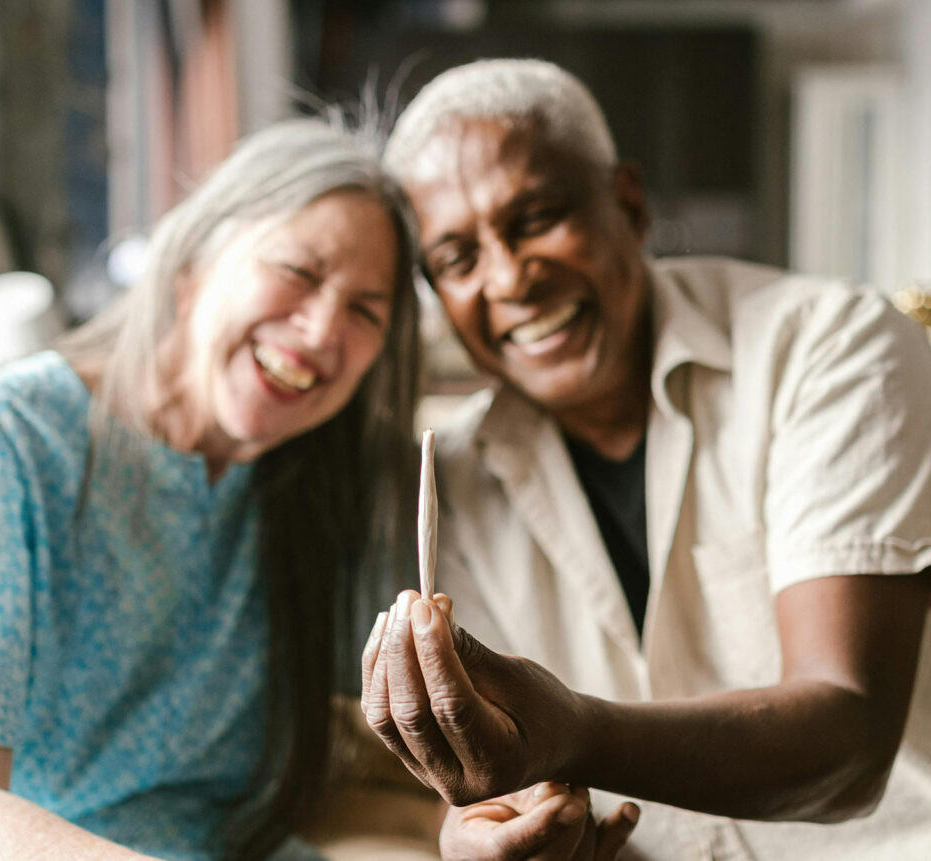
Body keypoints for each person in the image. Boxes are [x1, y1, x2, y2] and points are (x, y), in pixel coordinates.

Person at [362, 58, 931, 860]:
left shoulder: (831, 348)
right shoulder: (453, 480)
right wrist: (496, 833)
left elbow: (849, 741)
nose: (511, 277)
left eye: (538, 216)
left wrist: (571, 734)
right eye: (457, 259)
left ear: (628, 204)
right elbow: (525, 797)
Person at [0, 116, 424, 861]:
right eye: (300, 273)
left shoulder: (308, 486)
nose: (319, 331)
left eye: (365, 311)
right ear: (193, 265)